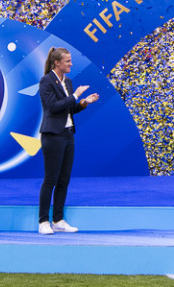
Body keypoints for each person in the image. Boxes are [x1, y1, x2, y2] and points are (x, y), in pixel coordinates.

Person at [38, 46, 99, 233]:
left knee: (64, 179)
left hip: (67, 134)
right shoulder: (46, 81)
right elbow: (53, 107)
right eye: (67, 61)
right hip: (52, 135)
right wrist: (75, 96)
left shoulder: (69, 82)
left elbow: (69, 109)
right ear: (57, 63)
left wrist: (83, 103)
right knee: (51, 179)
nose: (71, 64)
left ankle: (58, 219)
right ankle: (43, 222)